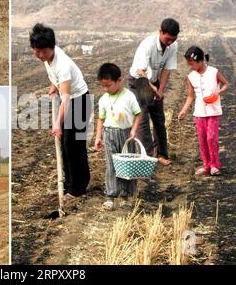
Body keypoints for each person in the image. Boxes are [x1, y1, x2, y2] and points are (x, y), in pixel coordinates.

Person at [29, 23, 91, 199]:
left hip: (78, 101)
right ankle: (70, 184)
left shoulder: (62, 64)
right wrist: (54, 85)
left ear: (52, 48)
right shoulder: (49, 58)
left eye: (44, 52)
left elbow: (66, 98)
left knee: (74, 146)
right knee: (67, 145)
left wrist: (57, 123)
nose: (41, 55)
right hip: (70, 99)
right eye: (37, 51)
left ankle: (77, 189)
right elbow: (55, 75)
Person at [129, 18, 180, 166]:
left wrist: (161, 90)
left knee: (159, 118)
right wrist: (152, 88)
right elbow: (140, 70)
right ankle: (147, 157)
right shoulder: (148, 45)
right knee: (143, 119)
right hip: (139, 81)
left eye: (173, 39)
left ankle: (162, 154)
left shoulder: (173, 46)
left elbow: (167, 69)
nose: (170, 42)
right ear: (160, 32)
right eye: (168, 38)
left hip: (154, 80)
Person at [95, 63, 141, 209]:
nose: (105, 89)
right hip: (109, 133)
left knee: (127, 164)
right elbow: (101, 119)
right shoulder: (103, 99)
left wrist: (133, 131)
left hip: (126, 134)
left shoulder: (129, 96)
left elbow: (138, 114)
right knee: (111, 165)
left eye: (108, 85)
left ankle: (126, 195)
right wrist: (98, 137)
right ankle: (110, 195)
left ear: (119, 80)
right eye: (103, 86)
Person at [178, 46, 228, 176]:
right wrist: (184, 110)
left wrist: (218, 92)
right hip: (199, 112)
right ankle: (206, 165)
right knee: (202, 139)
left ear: (200, 61)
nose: (190, 66)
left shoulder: (214, 72)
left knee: (211, 138)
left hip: (213, 111)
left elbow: (226, 84)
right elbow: (190, 96)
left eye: (192, 64)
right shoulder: (191, 77)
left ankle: (215, 165)